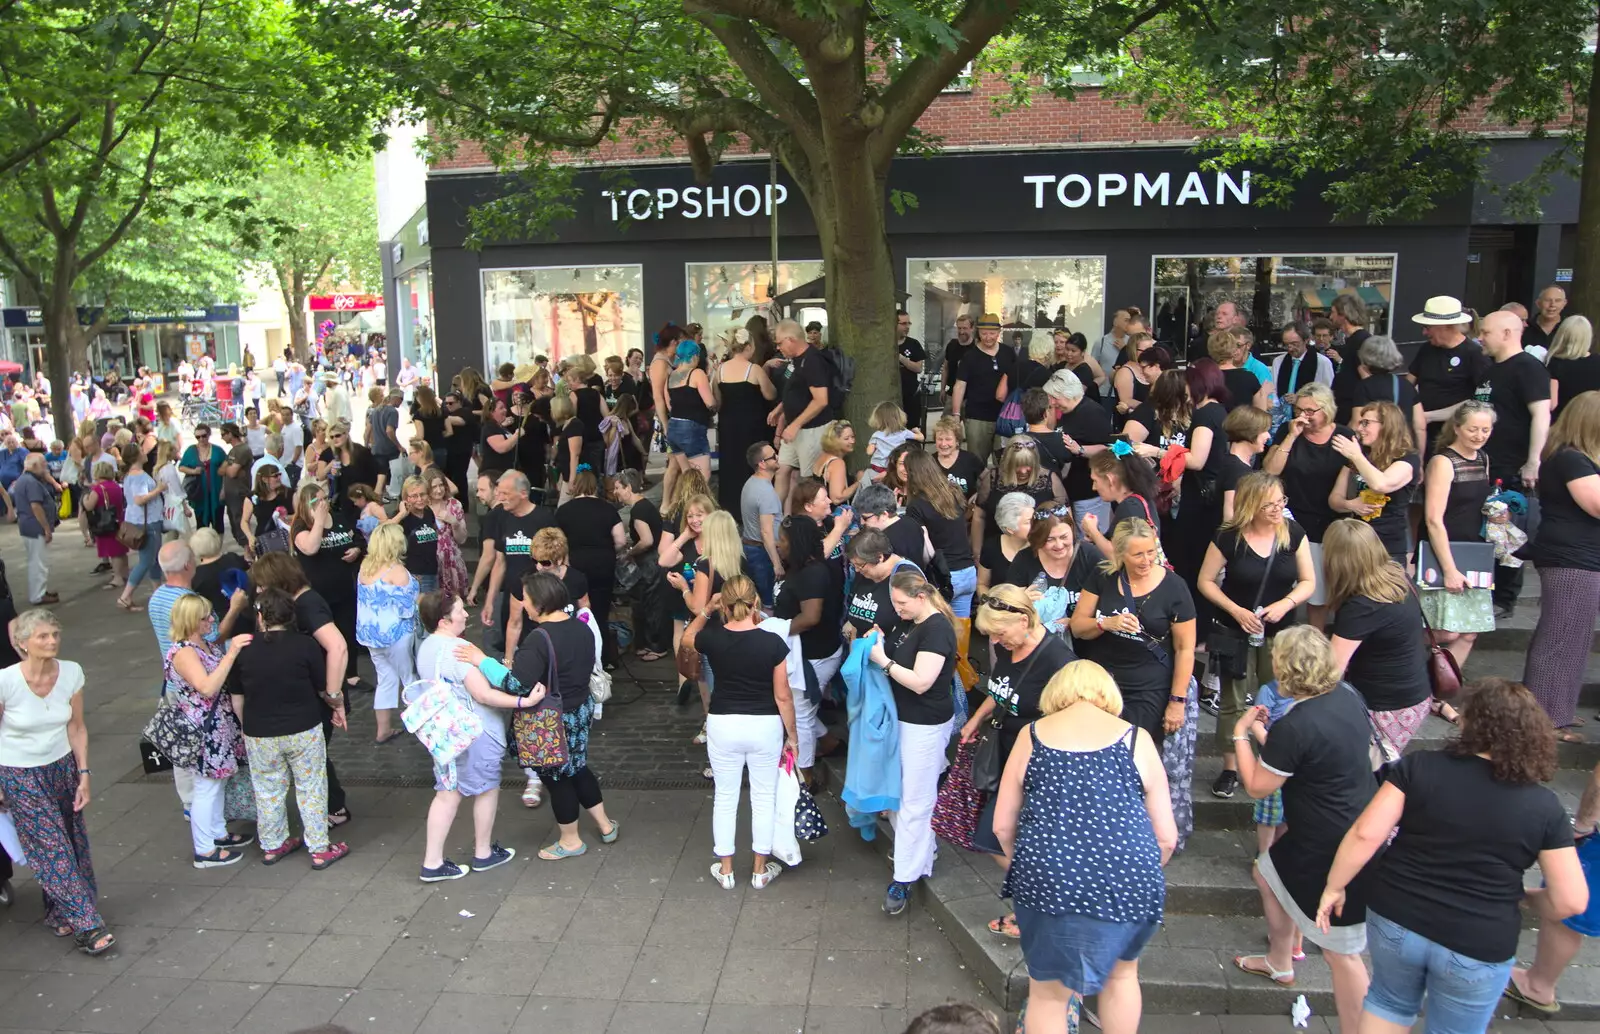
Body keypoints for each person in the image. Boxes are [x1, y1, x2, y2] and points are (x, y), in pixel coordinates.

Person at [1315, 678, 1586, 1033]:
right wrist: (1528, 898)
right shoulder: (1544, 807)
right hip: (1478, 941)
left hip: (1398, 917)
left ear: (1472, 723)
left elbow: (1366, 833)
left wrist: (1334, 886)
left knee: (1387, 1003)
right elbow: (1571, 902)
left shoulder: (1419, 767)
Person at [991, 659, 1176, 1034]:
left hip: (1050, 876)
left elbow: (1001, 825)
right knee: (1122, 977)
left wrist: (1025, 868)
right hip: (1130, 877)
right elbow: (1166, 836)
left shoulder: (1032, 735)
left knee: (1049, 994)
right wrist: (1134, 873)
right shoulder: (1136, 738)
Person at [1227, 626, 1374, 1033]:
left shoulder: (1296, 724)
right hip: (1335, 825)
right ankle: (1279, 960)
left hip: (1334, 845)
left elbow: (1257, 786)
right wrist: (1263, 735)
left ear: (1284, 667)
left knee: (1341, 953)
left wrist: (1241, 732)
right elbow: (1301, 753)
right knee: (1266, 873)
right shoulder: (1347, 696)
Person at [466, 571, 619, 859]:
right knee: (577, 767)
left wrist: (482, 661)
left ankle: (571, 841)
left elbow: (516, 684)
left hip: (552, 719)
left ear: (540, 603)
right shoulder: (582, 627)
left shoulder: (539, 639)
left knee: (556, 777)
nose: (523, 605)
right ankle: (605, 825)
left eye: (526, 600)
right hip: (580, 708)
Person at [964, 584, 1078, 939]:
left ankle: (1043, 909)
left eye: (999, 633)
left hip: (1040, 768)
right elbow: (1002, 692)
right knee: (997, 838)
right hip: (1007, 756)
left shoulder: (1059, 662)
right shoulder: (1011, 650)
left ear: (1024, 619)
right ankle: (1038, 908)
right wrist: (976, 718)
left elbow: (1073, 723)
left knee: (995, 836)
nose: (996, 642)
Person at [0, 609, 114, 954]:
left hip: (62, 767)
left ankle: (58, 912)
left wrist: (84, 774)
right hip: (20, 772)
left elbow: (76, 727)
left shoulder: (72, 673)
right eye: (42, 636)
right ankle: (88, 926)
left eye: (55, 635)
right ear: (22, 643)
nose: (52, 642)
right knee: (52, 847)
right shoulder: (5, 681)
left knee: (71, 840)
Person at [1197, 473, 1316, 799]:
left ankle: (1275, 758)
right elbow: (1205, 581)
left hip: (1280, 631)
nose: (1278, 509)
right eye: (1270, 505)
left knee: (1281, 694)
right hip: (1235, 629)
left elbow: (1308, 581)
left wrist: (1286, 603)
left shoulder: (1293, 534)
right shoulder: (1229, 537)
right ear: (1251, 505)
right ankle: (1231, 766)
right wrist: (1236, 610)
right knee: (1233, 700)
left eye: (1281, 502)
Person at [682, 575, 797, 889]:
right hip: (764, 725)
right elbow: (783, 696)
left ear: (726, 603)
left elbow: (687, 637)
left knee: (725, 796)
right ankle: (760, 869)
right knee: (763, 797)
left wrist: (706, 609)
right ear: (755, 602)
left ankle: (726, 868)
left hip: (723, 722)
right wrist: (793, 737)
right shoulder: (773, 643)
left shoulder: (714, 638)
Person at [232, 587, 347, 868]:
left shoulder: (243, 651)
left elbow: (237, 698)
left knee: (268, 789)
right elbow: (322, 687)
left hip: (260, 732)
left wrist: (248, 725)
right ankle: (319, 848)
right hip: (303, 728)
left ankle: (273, 844)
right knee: (311, 787)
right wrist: (337, 706)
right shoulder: (305, 646)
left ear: (260, 617)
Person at [414, 590, 525, 881]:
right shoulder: (458, 648)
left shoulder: (426, 646)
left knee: (446, 793)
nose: (466, 614)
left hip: (444, 734)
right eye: (460, 610)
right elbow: (484, 694)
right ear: (443, 620)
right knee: (487, 789)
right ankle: (484, 853)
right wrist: (523, 702)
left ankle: (433, 862)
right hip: (476, 733)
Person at [866, 569, 959, 915]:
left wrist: (883, 661)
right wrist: (880, 641)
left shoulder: (937, 630)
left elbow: (921, 682)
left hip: (924, 724)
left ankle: (903, 877)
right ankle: (923, 851)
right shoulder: (910, 621)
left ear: (921, 598)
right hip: (903, 721)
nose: (896, 609)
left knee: (913, 801)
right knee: (902, 797)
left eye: (901, 603)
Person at [1069, 518, 1196, 749]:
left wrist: (1177, 700)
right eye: (1137, 555)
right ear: (1120, 553)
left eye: (1151, 552)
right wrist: (1105, 623)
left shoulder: (1175, 587)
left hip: (1148, 686)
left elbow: (1185, 649)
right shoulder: (1103, 576)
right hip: (1102, 682)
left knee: (1135, 751)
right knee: (1095, 748)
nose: (1147, 560)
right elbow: (1077, 627)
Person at [1523, 392, 1600, 735]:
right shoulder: (1571, 460)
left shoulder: (1575, 458)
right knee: (1560, 639)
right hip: (1571, 559)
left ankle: (1559, 711)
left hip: (1580, 559)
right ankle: (1543, 718)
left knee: (1575, 638)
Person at [1323, 519, 1433, 755]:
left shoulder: (1361, 606)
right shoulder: (1395, 574)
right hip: (1414, 695)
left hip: (1386, 706)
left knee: (1368, 769)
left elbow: (1331, 671)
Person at [163, 593, 253, 868]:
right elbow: (207, 687)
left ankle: (217, 834)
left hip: (217, 725)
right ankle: (204, 850)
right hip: (204, 728)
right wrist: (233, 651)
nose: (211, 620)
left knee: (217, 783)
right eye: (205, 617)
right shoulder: (185, 651)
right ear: (191, 620)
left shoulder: (201, 644)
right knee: (206, 787)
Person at [1479, 308, 1553, 619]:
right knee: (1488, 532)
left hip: (1511, 467)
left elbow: (1541, 413)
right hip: (1485, 463)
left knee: (1506, 533)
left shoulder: (1528, 368)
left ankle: (1505, 598)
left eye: (1485, 332)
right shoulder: (1490, 368)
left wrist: (1533, 461)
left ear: (1507, 334)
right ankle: (1486, 591)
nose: (1480, 338)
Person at [1262, 383, 1352, 629]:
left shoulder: (1344, 435)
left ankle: (1318, 640)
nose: (1304, 416)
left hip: (1333, 522)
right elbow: (1270, 471)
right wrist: (1292, 435)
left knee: (1324, 593)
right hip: (1293, 518)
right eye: (1299, 409)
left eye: (1311, 411)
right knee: (1298, 587)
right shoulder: (1287, 431)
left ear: (1328, 409)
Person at [1419, 401, 1496, 681]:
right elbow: (1433, 519)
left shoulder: (1483, 458)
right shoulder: (1443, 462)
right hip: (1444, 550)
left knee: (1470, 631)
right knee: (1444, 630)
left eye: (1485, 430)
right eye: (1473, 429)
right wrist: (1449, 568)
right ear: (1457, 428)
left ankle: (1443, 690)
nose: (1479, 435)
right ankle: (1391, 656)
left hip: (1474, 549)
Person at [771, 513, 842, 782]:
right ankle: (828, 742)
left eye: (783, 540)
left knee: (800, 713)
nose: (779, 544)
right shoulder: (799, 567)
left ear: (797, 542)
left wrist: (775, 630)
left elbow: (810, 617)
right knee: (802, 709)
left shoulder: (814, 573)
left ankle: (805, 776)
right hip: (799, 651)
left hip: (814, 655)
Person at [290, 480, 363, 688]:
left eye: (325, 498)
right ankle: (325, 676)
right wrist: (319, 521)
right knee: (324, 635)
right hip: (318, 592)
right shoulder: (301, 527)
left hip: (343, 587)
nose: (324, 503)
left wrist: (356, 549)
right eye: (318, 500)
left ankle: (351, 674)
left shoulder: (339, 518)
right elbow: (310, 547)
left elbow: (356, 537)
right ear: (308, 504)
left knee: (347, 630)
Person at [1330, 400, 1418, 565]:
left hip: (1387, 547)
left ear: (1387, 425)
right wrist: (1350, 505)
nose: (1359, 429)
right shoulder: (1360, 456)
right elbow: (1334, 499)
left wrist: (1356, 456)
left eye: (1366, 423)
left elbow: (1381, 484)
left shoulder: (1407, 459)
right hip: (1357, 543)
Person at [556, 466, 625, 665]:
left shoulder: (564, 511)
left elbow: (557, 542)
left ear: (575, 486)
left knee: (574, 611)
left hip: (574, 566)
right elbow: (619, 540)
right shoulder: (608, 509)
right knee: (600, 613)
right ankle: (602, 659)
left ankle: (578, 657)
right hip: (603, 565)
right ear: (596, 486)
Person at [357, 524, 418, 744]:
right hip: (396, 636)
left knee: (385, 679)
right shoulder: (398, 572)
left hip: (371, 636)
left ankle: (383, 730)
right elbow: (408, 607)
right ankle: (424, 725)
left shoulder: (365, 567)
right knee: (410, 678)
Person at [1408, 294, 1492, 450]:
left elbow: (1479, 402)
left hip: (1453, 436)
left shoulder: (1475, 355)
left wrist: (1430, 416)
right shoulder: (1427, 349)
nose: (1424, 333)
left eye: (1428, 327)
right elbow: (1409, 383)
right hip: (1419, 431)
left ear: (1446, 326)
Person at [770, 318, 834, 506]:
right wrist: (780, 408)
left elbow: (821, 400)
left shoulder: (813, 360)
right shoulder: (796, 360)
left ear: (791, 339)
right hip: (794, 428)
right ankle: (777, 516)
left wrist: (796, 424)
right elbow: (797, 390)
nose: (779, 348)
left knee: (808, 479)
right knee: (782, 470)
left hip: (812, 429)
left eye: (780, 343)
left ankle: (809, 520)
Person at [714, 328, 778, 514]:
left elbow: (717, 401)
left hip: (728, 426)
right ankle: (754, 507)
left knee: (730, 465)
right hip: (751, 426)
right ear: (749, 346)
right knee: (751, 464)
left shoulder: (720, 370)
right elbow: (770, 394)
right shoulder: (754, 369)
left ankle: (731, 506)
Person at [1045, 371, 1113, 528]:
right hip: (1071, 490)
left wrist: (1080, 449)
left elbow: (1107, 449)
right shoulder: (1066, 412)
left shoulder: (1092, 413)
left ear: (1069, 393)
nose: (1052, 402)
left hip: (1088, 491)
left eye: (1055, 397)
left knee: (1090, 537)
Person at [951, 313, 1015, 465]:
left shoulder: (1008, 353)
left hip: (1005, 416)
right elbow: (960, 385)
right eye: (984, 333)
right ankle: (978, 489)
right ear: (978, 332)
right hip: (977, 418)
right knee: (977, 462)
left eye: (992, 333)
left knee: (1006, 462)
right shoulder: (970, 356)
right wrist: (956, 413)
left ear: (999, 333)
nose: (988, 337)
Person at [110, 443, 164, 612]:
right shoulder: (139, 476)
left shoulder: (129, 475)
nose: (145, 452)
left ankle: (158, 593)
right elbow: (139, 499)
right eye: (142, 451)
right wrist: (159, 489)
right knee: (147, 561)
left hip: (140, 521)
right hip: (147, 522)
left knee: (153, 559)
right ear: (137, 456)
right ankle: (125, 596)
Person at [1347, 335, 1426, 449]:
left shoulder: (1364, 387)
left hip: (1375, 450)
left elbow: (1357, 423)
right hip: (1403, 449)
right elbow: (1420, 426)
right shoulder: (1407, 385)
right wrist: (1420, 459)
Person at [1080, 452, 1163, 559]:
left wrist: (1093, 531)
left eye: (1095, 481)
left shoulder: (1130, 508)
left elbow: (1118, 556)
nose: (1094, 487)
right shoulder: (1140, 500)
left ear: (1110, 480)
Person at [665, 338, 716, 484]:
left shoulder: (670, 375)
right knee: (702, 476)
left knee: (688, 476)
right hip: (692, 428)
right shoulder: (697, 373)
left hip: (674, 426)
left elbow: (669, 404)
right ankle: (696, 506)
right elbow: (710, 403)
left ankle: (685, 505)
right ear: (694, 356)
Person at [739, 441, 784, 606]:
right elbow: (766, 532)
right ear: (762, 464)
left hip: (752, 549)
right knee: (768, 603)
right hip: (762, 553)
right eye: (773, 456)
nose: (777, 457)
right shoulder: (765, 492)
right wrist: (777, 564)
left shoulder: (751, 483)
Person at [12, 454, 57, 605]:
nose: (46, 467)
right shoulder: (31, 482)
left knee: (35, 561)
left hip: (27, 526)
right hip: (35, 527)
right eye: (43, 464)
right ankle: (38, 595)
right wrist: (46, 528)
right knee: (39, 563)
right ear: (35, 466)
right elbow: (36, 506)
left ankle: (39, 591)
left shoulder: (23, 480)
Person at [420, 465, 468, 599]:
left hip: (450, 561)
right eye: (434, 487)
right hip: (429, 563)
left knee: (452, 606)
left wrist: (454, 522)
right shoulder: (421, 506)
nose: (439, 490)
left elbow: (462, 539)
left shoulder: (454, 505)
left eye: (441, 485)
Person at [389, 475, 442, 594]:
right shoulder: (401, 517)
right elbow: (382, 531)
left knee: (432, 610)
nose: (419, 499)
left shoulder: (428, 512)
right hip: (413, 574)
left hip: (432, 571)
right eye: (414, 496)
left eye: (423, 494)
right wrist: (402, 514)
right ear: (406, 498)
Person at [1217, 405, 1269, 522]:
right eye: (1264, 431)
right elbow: (1230, 518)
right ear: (1250, 432)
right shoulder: (1237, 470)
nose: (1268, 436)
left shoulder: (1231, 463)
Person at [977, 492, 1035, 595]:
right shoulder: (991, 547)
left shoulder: (1040, 547)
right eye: (1028, 522)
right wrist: (989, 604)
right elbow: (982, 584)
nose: (1035, 524)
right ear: (1011, 529)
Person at [84, 459, 128, 591]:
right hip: (118, 521)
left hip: (106, 523)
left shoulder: (98, 489)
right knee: (121, 551)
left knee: (113, 552)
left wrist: (86, 497)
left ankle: (117, 577)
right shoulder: (116, 486)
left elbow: (89, 505)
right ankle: (124, 574)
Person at [1547, 315, 1600, 420]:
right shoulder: (1597, 361)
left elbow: (1552, 404)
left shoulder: (1554, 363)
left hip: (1561, 422)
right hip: (1591, 421)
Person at [178, 424, 227, 534]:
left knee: (218, 523)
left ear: (209, 435)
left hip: (216, 491)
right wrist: (193, 471)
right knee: (201, 524)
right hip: (199, 493)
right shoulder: (191, 450)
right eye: (198, 437)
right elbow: (181, 467)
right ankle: (203, 548)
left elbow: (226, 471)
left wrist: (224, 489)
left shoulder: (218, 450)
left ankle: (218, 548)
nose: (201, 439)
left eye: (203, 436)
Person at [239, 464, 294, 562]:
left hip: (286, 538)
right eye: (275, 476)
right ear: (264, 479)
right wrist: (250, 537)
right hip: (264, 538)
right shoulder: (252, 497)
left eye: (279, 474)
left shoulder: (289, 493)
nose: (279, 478)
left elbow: (299, 514)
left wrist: (286, 518)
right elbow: (244, 521)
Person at [1209, 329, 1271, 412]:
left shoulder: (1206, 378)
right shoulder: (1249, 378)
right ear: (1233, 350)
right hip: (1243, 424)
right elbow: (1260, 414)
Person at [1526, 284, 1569, 354]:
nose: (1552, 305)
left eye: (1557, 300)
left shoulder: (1569, 328)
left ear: (1564, 303)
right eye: (1547, 300)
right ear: (1538, 303)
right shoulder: (1525, 327)